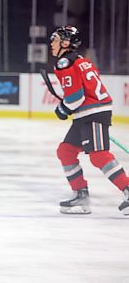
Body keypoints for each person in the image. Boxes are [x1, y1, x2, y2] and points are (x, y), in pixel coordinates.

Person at [49, 25, 129, 215]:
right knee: (66, 151)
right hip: (87, 114)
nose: (52, 43)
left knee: (99, 155)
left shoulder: (65, 63)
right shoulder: (81, 61)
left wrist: (62, 109)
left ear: (66, 43)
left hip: (92, 113)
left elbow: (76, 97)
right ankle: (81, 196)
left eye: (55, 39)